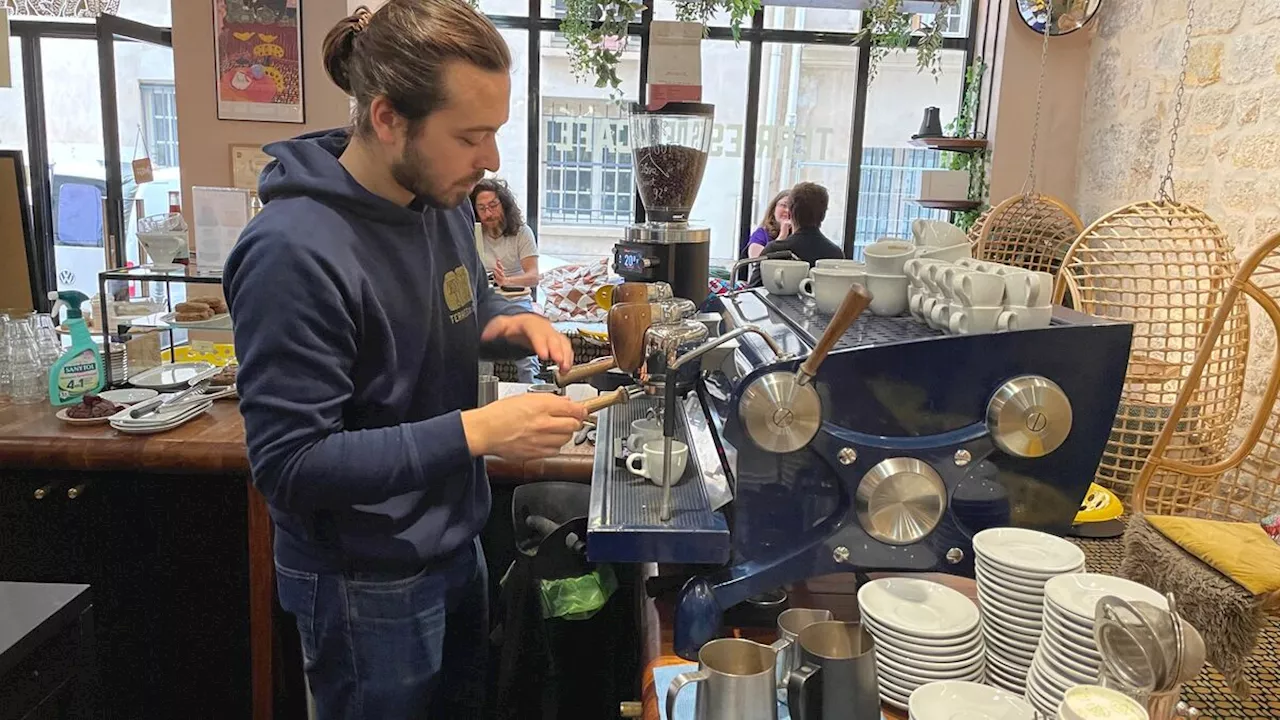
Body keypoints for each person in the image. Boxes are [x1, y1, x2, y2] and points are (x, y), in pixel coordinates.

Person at [221, 3, 588, 718]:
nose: (491, 161)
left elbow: (468, 297)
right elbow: (291, 465)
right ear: (388, 118)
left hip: (454, 545)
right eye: (470, 136)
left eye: (495, 133)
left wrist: (516, 321)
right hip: (364, 581)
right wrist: (479, 433)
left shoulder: (440, 199)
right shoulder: (293, 252)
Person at [471, 177, 540, 382]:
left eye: (493, 206)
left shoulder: (521, 232)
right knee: (480, 357)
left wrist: (507, 281)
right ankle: (482, 405)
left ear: (504, 204)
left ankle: (533, 399)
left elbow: (533, 276)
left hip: (517, 299)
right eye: (482, 208)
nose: (488, 213)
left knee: (527, 357)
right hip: (486, 301)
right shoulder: (473, 233)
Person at [758, 181, 844, 267]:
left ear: (790, 213)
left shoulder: (774, 251)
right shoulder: (836, 255)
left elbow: (755, 280)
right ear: (823, 215)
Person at [743, 190, 792, 260]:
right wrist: (782, 236)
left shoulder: (799, 235)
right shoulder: (761, 234)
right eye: (783, 205)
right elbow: (757, 262)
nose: (787, 210)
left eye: (792, 207)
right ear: (773, 209)